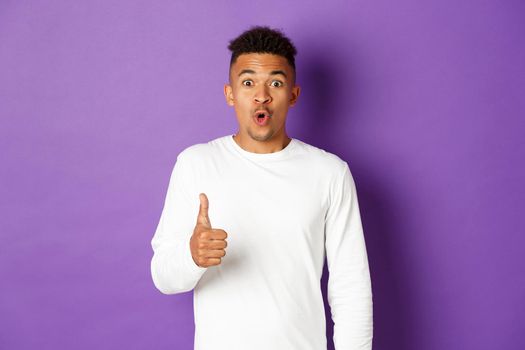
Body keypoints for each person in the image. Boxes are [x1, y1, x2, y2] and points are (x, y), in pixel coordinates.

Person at [150, 25, 373, 350]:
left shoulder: (330, 173)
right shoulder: (196, 164)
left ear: (293, 95)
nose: (262, 95)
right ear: (230, 93)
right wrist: (192, 255)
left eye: (276, 83)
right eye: (248, 82)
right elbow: (163, 277)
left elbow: (351, 288)